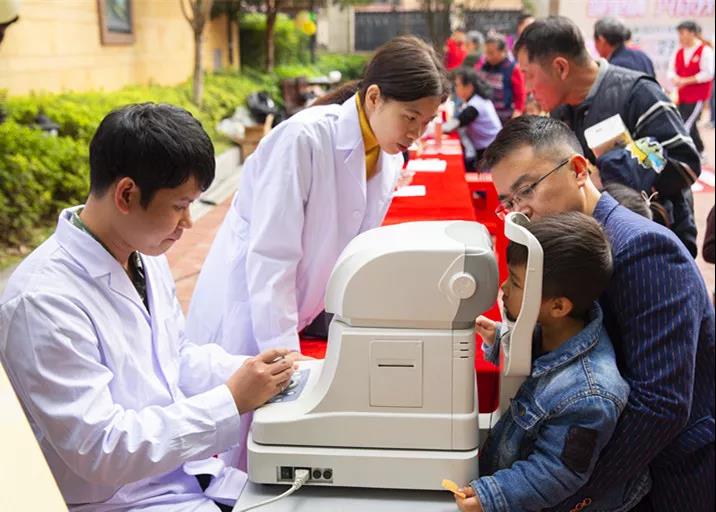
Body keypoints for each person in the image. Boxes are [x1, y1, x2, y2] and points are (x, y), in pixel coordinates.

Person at [0, 103, 301, 511]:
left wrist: (260, 373)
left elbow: (174, 358)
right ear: (127, 194)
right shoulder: (43, 301)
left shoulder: (142, 256)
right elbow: (102, 448)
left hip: (181, 479)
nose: (188, 222)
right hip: (120, 502)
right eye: (180, 206)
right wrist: (230, 400)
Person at [479, 115, 714, 512]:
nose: (522, 211)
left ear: (577, 169)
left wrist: (574, 496)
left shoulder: (643, 250)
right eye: (510, 203)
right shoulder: (563, 245)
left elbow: (660, 405)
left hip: (666, 473)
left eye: (528, 190)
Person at [186, 35, 449, 357]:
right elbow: (272, 254)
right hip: (244, 311)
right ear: (374, 97)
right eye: (410, 117)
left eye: (426, 122)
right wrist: (283, 349)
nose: (416, 134)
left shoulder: (389, 158)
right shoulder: (303, 139)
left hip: (295, 308)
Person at [455, 212, 640, 512]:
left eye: (516, 283)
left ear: (558, 306)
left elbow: (556, 472)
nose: (504, 288)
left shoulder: (589, 395)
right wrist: (500, 337)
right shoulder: (558, 328)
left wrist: (495, 495)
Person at [515, 16, 701, 257]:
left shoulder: (638, 93)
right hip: (598, 248)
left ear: (561, 67)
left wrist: (609, 170)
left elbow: (686, 164)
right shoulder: (561, 109)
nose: (527, 88)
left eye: (528, 75)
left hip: (654, 247)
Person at [668, 20, 714, 161]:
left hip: (697, 95)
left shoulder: (705, 50)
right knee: (689, 123)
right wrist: (675, 79)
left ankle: (682, 157)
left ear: (692, 33)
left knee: (684, 125)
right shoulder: (679, 50)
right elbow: (671, 70)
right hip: (681, 95)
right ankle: (700, 151)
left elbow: (708, 73)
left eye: (682, 33)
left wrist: (687, 80)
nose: (680, 37)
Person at [447, 67, 501, 171]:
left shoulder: (475, 106)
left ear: (469, 87)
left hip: (490, 150)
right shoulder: (477, 100)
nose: (455, 88)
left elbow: (453, 125)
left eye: (457, 85)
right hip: (488, 147)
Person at [478, 34, 526, 123]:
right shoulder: (484, 67)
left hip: (505, 118)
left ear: (503, 51)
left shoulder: (513, 69)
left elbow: (520, 96)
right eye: (486, 53)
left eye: (491, 53)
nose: (488, 56)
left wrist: (516, 116)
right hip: (486, 116)